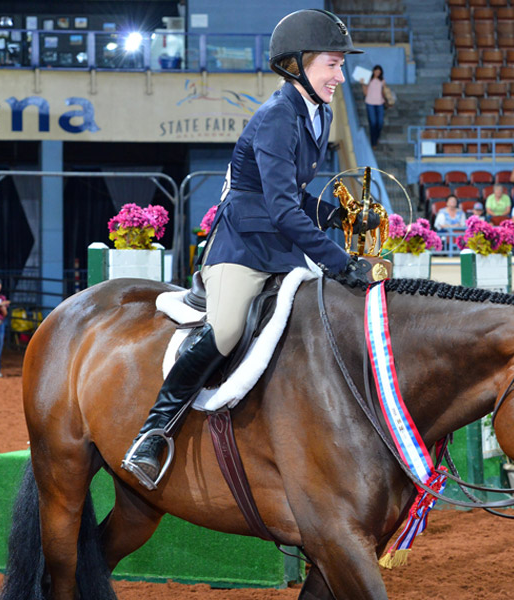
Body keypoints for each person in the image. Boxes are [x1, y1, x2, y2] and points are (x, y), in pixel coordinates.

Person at [122, 9, 373, 490]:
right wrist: (341, 263)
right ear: (297, 64)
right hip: (240, 249)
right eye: (332, 65)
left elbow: (291, 193)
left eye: (341, 66)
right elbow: (279, 208)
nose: (341, 76)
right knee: (228, 328)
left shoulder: (314, 115)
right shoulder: (279, 117)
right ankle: (153, 431)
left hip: (278, 249)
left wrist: (338, 215)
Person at [362, 65, 386, 147]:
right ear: (373, 71)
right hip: (370, 103)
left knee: (380, 123)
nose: (377, 73)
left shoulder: (382, 80)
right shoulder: (369, 79)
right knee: (373, 123)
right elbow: (365, 93)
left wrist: (388, 99)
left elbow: (384, 92)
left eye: (379, 72)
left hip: (380, 103)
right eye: (376, 71)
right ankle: (373, 142)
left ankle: (377, 138)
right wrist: (363, 84)